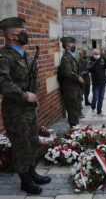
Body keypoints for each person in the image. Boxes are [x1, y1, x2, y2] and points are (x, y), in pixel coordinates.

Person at [0, 17, 51, 194]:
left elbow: (30, 77)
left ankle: (31, 172)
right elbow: (3, 83)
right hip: (15, 110)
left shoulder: (24, 53)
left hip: (28, 109)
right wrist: (24, 95)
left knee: (32, 141)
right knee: (21, 145)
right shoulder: (5, 56)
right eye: (22, 31)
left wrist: (33, 92)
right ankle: (25, 181)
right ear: (13, 35)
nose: (25, 34)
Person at [60, 36, 84, 128]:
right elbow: (66, 72)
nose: (74, 45)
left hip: (76, 87)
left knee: (77, 107)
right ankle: (74, 128)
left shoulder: (72, 56)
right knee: (72, 109)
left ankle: (76, 126)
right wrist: (78, 78)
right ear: (67, 46)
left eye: (73, 43)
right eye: (72, 43)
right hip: (70, 89)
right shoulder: (66, 58)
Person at [88, 49, 106, 115]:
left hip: (103, 83)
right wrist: (97, 61)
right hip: (95, 84)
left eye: (98, 53)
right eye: (95, 53)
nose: (97, 54)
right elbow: (89, 69)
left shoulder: (102, 60)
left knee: (101, 98)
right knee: (95, 98)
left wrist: (105, 58)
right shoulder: (91, 61)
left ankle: (99, 111)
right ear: (93, 54)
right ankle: (93, 107)